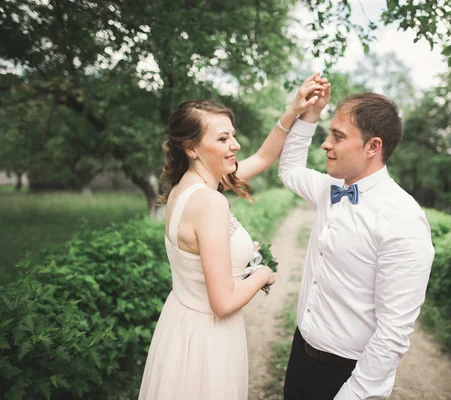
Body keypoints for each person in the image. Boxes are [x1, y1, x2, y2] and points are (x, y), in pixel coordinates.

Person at [138, 74, 329, 400]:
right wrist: (262, 274)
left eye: (234, 136)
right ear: (191, 147)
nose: (236, 145)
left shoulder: (184, 187)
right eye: (224, 139)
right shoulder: (210, 202)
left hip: (179, 324)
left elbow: (265, 158)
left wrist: (295, 110)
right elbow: (223, 303)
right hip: (207, 338)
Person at [279, 88, 435, 399]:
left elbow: (393, 332)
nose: (326, 144)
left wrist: (352, 394)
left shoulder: (402, 220)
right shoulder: (330, 188)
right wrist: (309, 115)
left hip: (348, 375)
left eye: (337, 136)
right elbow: (289, 171)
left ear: (373, 146)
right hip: (301, 354)